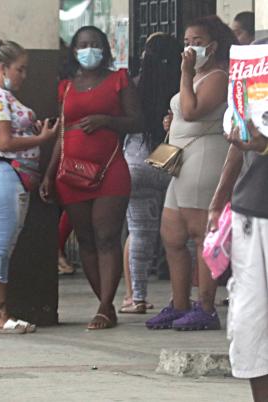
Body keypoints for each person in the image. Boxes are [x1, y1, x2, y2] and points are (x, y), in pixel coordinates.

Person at [41, 26, 142, 330]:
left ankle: (103, 306)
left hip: (110, 169)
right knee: (85, 239)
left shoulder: (119, 80)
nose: (89, 49)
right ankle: (107, 305)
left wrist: (107, 121)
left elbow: (138, 120)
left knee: (107, 236)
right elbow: (61, 132)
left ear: (105, 49)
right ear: (74, 50)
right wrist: (49, 174)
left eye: (95, 44)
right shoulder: (66, 87)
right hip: (70, 172)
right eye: (83, 44)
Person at [145, 15, 236, 331]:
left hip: (204, 159)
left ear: (213, 45)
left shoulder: (218, 75)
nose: (189, 48)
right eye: (186, 42)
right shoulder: (195, 75)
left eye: (196, 42)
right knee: (171, 233)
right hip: (182, 160)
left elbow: (194, 110)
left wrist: (184, 74)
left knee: (201, 235)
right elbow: (183, 111)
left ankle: (206, 306)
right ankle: (179, 302)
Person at [0, 37, 58, 334]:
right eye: (20, 69)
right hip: (1, 174)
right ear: (2, 67)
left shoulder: (0, 95)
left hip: (8, 177)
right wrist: (41, 139)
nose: (24, 75)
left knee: (4, 246)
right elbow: (3, 141)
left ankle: (0, 311)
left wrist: (31, 129)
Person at [209, 35, 268, 401]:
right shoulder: (257, 54)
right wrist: (218, 200)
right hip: (252, 214)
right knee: (250, 321)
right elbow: (238, 145)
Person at [119, 32, 181, 314]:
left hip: (136, 163)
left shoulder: (133, 88)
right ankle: (182, 297)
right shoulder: (183, 87)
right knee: (180, 236)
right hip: (173, 165)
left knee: (139, 233)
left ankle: (137, 298)